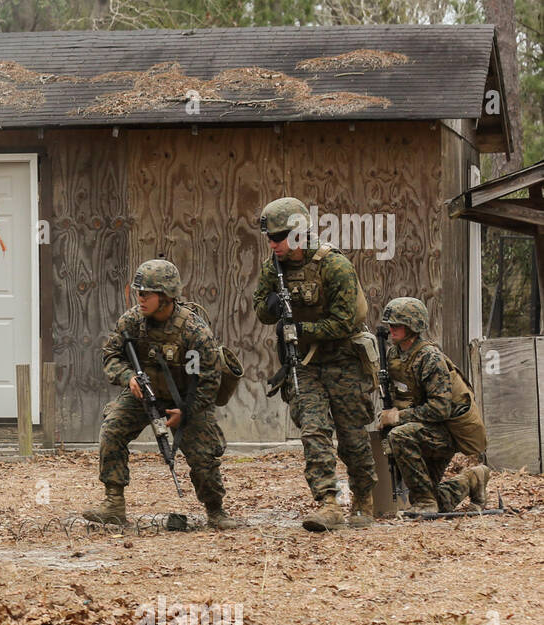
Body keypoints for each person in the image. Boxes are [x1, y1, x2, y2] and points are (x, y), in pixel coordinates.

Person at [82, 259, 239, 530]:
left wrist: (187, 411)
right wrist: (128, 377)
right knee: (112, 429)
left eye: (146, 294)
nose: (139, 298)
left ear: (166, 296)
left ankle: (216, 510)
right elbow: (111, 354)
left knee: (203, 455)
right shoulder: (132, 321)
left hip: (187, 400)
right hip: (144, 393)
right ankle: (113, 504)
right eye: (138, 292)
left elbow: (210, 380)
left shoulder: (195, 332)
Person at [254, 196, 377, 531]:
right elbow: (259, 309)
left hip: (343, 360)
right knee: (313, 430)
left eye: (279, 237)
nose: (273, 244)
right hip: (305, 365)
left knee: (352, 437)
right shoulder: (273, 267)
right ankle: (328, 502)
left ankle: (364, 498)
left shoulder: (334, 266)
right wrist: (273, 305)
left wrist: (301, 329)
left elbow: (343, 322)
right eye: (269, 238)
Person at [378, 297, 490, 513]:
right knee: (435, 498)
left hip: (445, 432)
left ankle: (425, 503)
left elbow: (440, 409)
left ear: (413, 326)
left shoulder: (430, 357)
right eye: (390, 324)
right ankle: (473, 478)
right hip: (424, 430)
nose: (392, 329)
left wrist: (399, 417)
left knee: (399, 435)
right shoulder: (394, 355)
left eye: (398, 325)